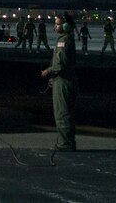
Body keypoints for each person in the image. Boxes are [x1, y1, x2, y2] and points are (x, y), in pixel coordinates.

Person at [40, 15, 77, 150]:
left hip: (63, 81)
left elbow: (60, 65)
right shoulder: (64, 40)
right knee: (63, 112)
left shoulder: (64, 41)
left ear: (65, 26)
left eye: (57, 24)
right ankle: (66, 142)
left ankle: (65, 144)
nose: (55, 26)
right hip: (61, 79)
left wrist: (48, 71)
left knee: (62, 113)